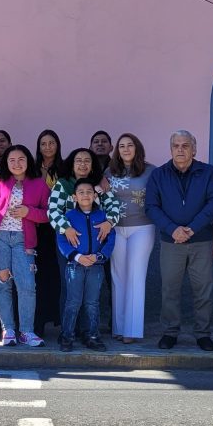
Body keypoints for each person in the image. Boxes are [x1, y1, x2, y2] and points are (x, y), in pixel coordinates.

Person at [146, 130, 213, 351]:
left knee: (203, 289)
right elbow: (151, 206)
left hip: (201, 240)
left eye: (185, 145)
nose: (180, 149)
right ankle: (170, 332)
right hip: (171, 242)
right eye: (176, 146)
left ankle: (203, 333)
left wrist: (191, 228)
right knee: (170, 289)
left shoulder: (208, 172)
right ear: (171, 149)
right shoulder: (159, 175)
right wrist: (173, 229)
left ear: (194, 149)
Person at [0, 145, 50, 347]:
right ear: (6, 163)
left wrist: (29, 212)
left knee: (27, 285)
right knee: (2, 284)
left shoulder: (39, 184)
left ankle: (26, 331)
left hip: (23, 240)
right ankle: (8, 329)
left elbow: (48, 214)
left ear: (28, 161)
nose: (17, 164)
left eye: (21, 159)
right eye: (12, 160)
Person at [48, 147, 119, 328]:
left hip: (95, 245)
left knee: (92, 291)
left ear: (92, 165)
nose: (83, 164)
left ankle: (89, 331)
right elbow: (53, 211)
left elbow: (114, 207)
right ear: (72, 164)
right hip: (69, 244)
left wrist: (109, 222)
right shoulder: (63, 184)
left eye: (87, 160)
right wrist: (66, 228)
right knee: (70, 287)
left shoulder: (99, 185)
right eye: (78, 160)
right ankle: (69, 331)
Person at [104, 133, 156, 343]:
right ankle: (119, 327)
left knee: (136, 276)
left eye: (130, 145)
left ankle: (132, 331)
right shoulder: (109, 171)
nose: (125, 149)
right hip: (116, 228)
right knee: (118, 277)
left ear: (137, 148)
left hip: (142, 227)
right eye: (122, 146)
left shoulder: (151, 171)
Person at [56, 179, 115, 352]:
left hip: (96, 266)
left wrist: (99, 256)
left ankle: (93, 336)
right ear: (74, 197)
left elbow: (111, 239)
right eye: (81, 192)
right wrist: (77, 256)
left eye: (89, 191)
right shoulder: (68, 218)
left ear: (95, 195)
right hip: (75, 265)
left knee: (92, 303)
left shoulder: (103, 217)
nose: (85, 195)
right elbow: (61, 240)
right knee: (72, 302)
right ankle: (67, 336)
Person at [33, 130, 65, 336]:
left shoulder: (64, 168)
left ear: (57, 145)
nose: (47, 147)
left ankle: (59, 318)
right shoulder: (33, 168)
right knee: (39, 275)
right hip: (38, 226)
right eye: (43, 143)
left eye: (51, 142)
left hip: (60, 226)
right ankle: (39, 321)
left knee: (57, 274)